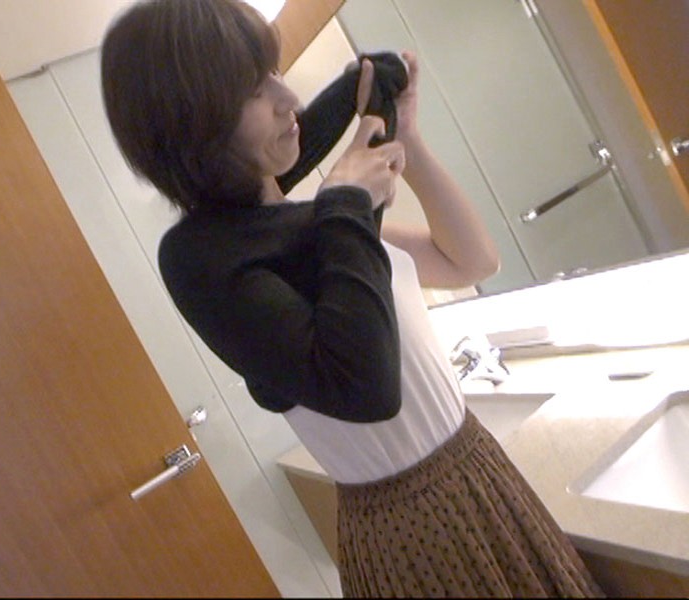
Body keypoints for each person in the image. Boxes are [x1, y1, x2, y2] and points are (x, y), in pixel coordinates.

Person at [100, 0, 605, 597]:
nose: (288, 100)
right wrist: (346, 202)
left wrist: (406, 140)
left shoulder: (314, 225)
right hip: (416, 534)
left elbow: (470, 261)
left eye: (275, 73)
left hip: (480, 473)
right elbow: (365, 389)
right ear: (194, 128)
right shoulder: (207, 262)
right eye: (253, 91)